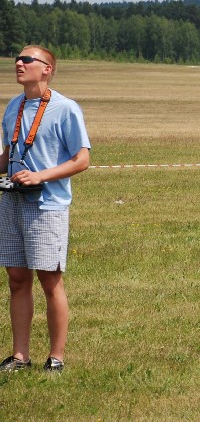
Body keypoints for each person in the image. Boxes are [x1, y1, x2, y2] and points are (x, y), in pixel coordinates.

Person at [0, 46, 91, 373]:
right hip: (12, 202)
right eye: (18, 58)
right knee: (16, 278)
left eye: (27, 60)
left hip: (46, 205)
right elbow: (9, 154)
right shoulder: (14, 105)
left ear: (47, 69)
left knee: (50, 280)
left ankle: (56, 358)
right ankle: (20, 356)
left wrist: (40, 176)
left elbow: (82, 159)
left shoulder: (65, 108)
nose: (19, 63)